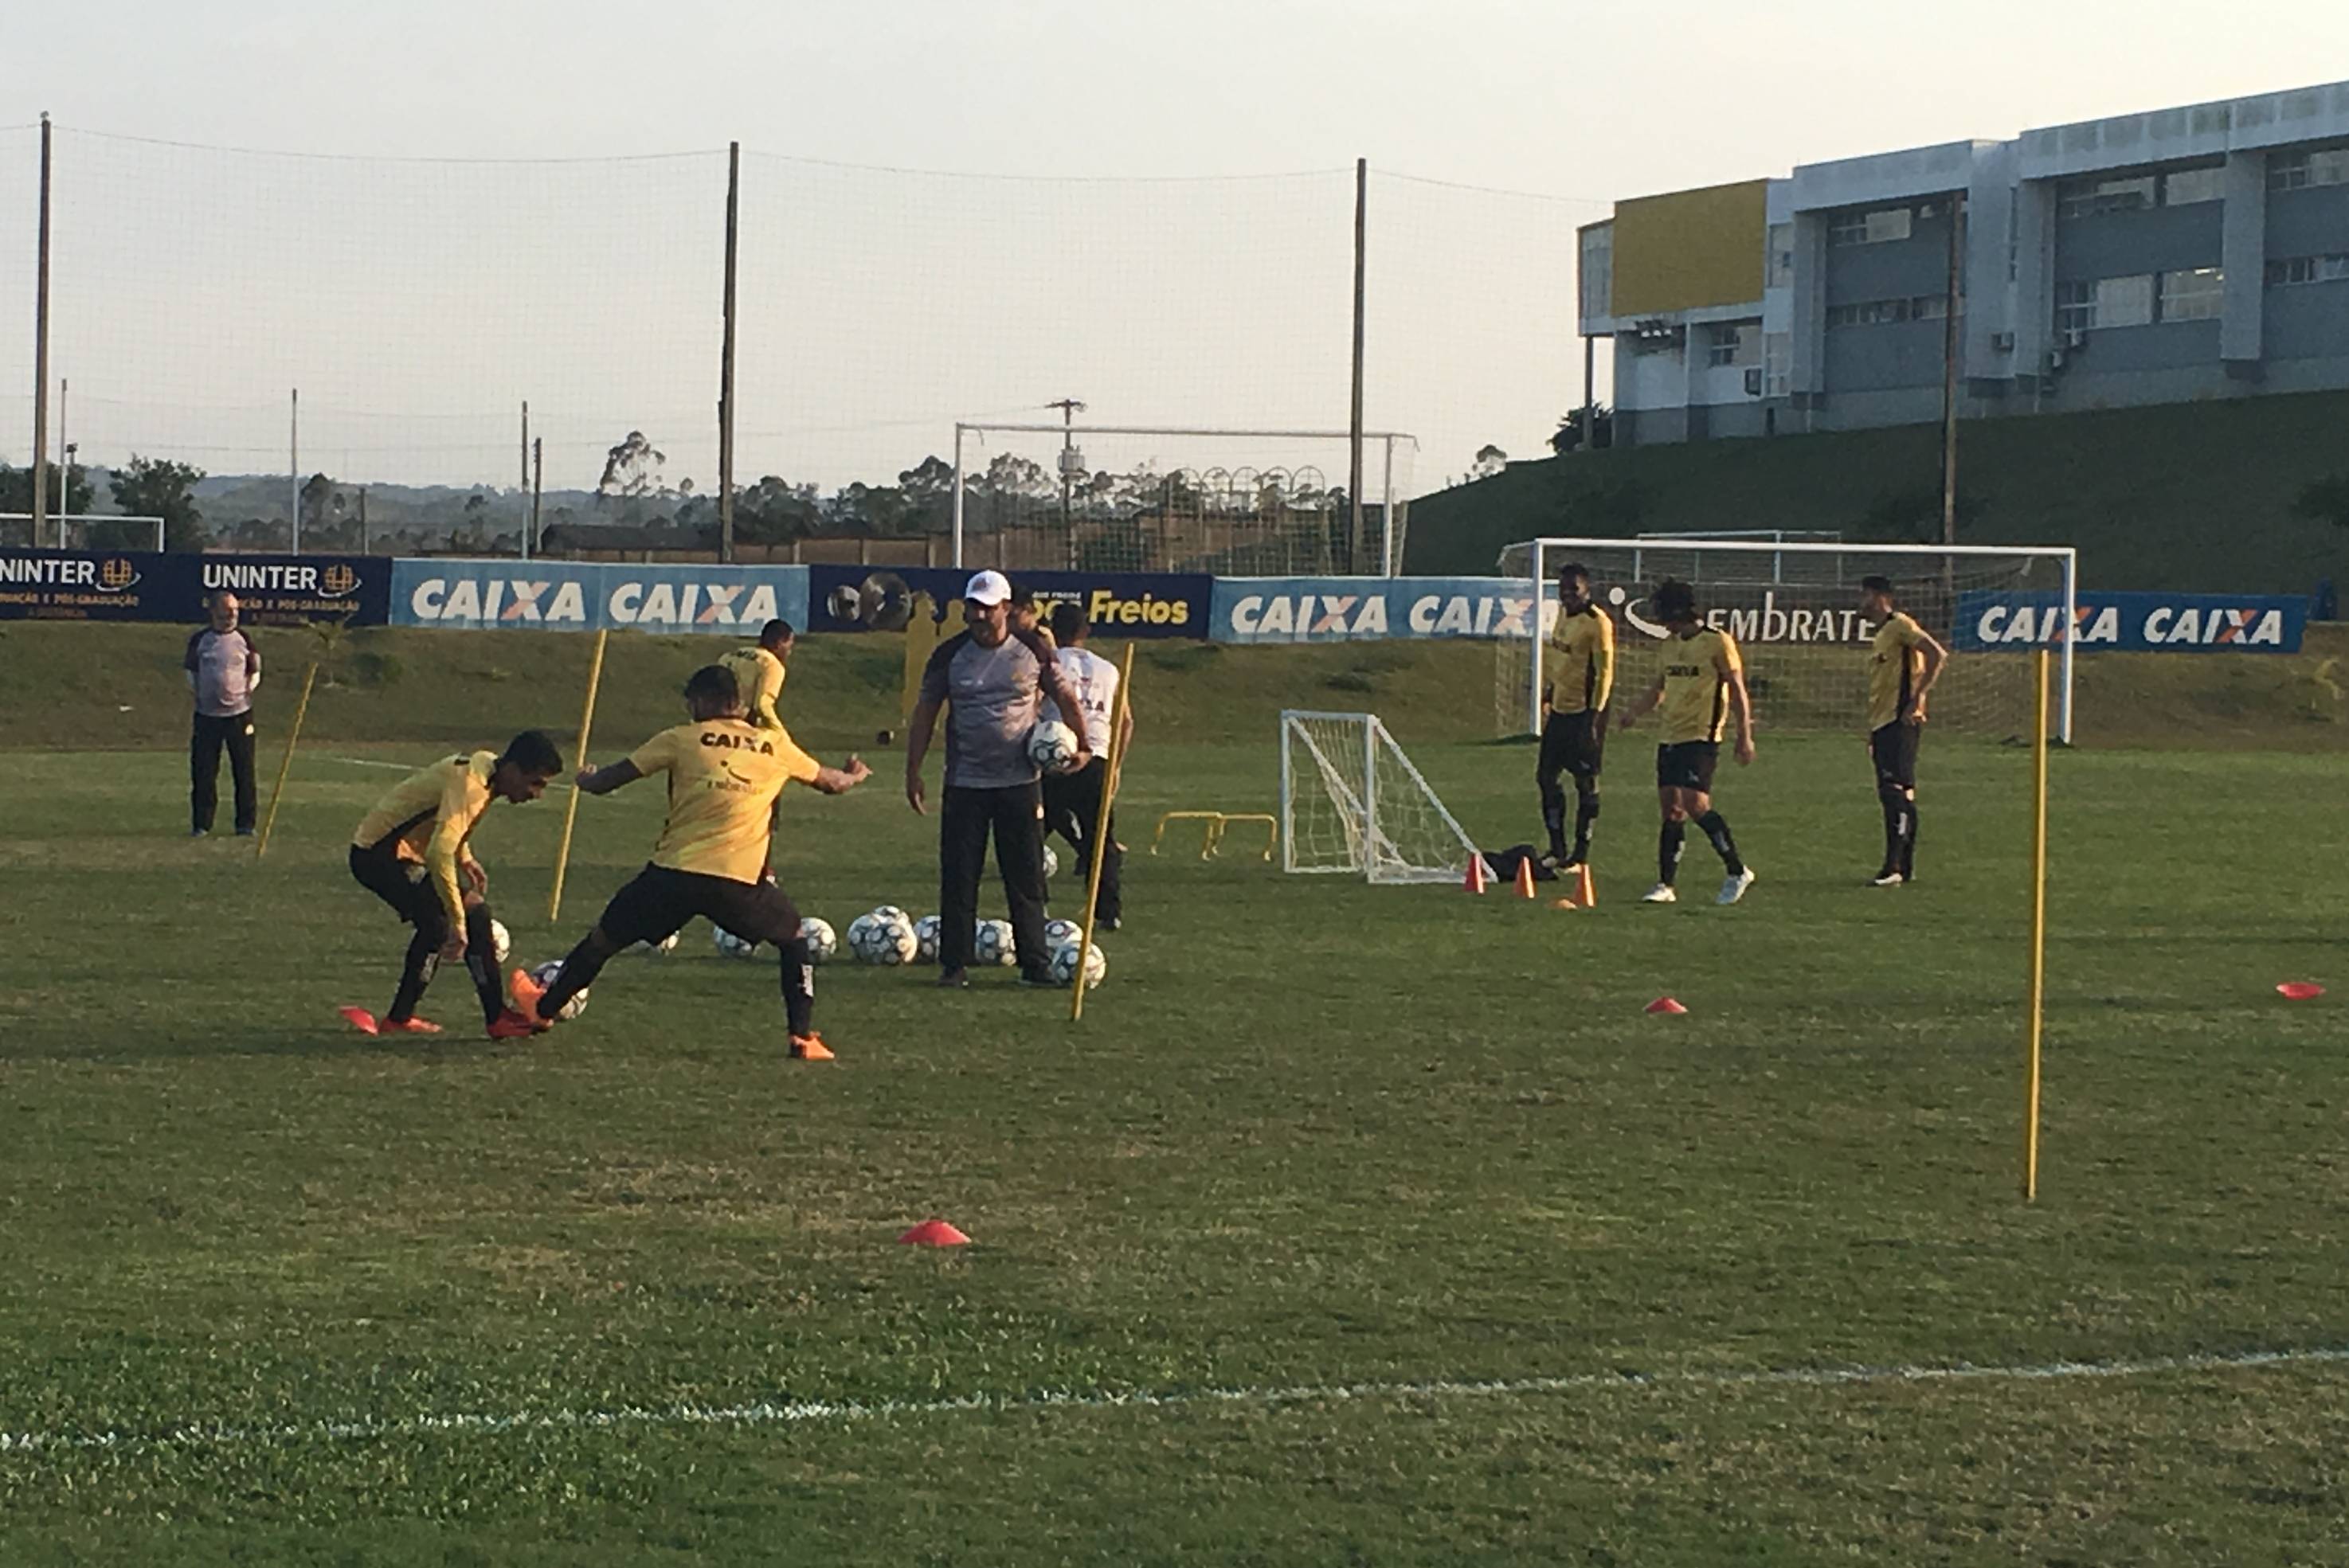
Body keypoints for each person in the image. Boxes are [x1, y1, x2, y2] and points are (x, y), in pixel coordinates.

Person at [513, 664, 871, 1060]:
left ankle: (542, 1011)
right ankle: (802, 1038)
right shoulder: (774, 745)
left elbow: (609, 781)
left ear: (703, 700)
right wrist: (854, 776)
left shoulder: (681, 738)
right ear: (737, 704)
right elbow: (831, 783)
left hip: (674, 874)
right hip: (738, 881)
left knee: (603, 940)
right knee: (794, 940)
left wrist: (586, 779)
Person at [904, 569, 1091, 988]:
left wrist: (1084, 745)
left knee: (1025, 876)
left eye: (988, 607)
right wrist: (913, 770)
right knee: (959, 876)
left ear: (1006, 609)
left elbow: (1065, 697)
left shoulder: (1033, 649)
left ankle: (1035, 964)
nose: (980, 615)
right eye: (974, 606)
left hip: (1019, 783)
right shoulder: (949, 654)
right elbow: (925, 714)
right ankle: (954, 965)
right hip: (965, 783)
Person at [343, 731, 564, 1038]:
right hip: (379, 855)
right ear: (513, 769)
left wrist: (465, 856)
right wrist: (458, 920)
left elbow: (446, 819)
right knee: (472, 914)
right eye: (535, 782)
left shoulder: (485, 770)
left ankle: (400, 1018)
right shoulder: (473, 785)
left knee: (435, 926)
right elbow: (438, 852)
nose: (537, 793)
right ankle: (496, 1017)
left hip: (395, 853)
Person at [1615, 580, 1757, 905]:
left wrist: (1744, 736)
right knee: (1671, 809)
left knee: (1696, 804)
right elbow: (1659, 687)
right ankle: (1666, 884)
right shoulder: (1669, 645)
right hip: (1669, 735)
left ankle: (1737, 871)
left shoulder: (1717, 642)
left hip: (1701, 736)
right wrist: (1633, 712)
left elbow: (1737, 689)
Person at [1039, 600, 1133, 929]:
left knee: (1030, 836)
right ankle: (1108, 913)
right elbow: (1126, 722)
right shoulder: (1109, 670)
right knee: (1101, 841)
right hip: (1096, 760)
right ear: (1086, 631)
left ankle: (1036, 908)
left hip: (1053, 759)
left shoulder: (1048, 663)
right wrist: (1116, 766)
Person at [1858, 576, 1948, 886]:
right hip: (1884, 723)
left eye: (1866, 595)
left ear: (1881, 597)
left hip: (1900, 722)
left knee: (1893, 791)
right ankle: (1903, 866)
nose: (1862, 602)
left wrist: (1918, 697)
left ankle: (1893, 867)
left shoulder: (1900, 626)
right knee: (1901, 794)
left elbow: (1937, 654)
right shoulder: (1882, 634)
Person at [1536, 561, 1615, 870]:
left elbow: (1605, 672)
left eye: (1574, 590)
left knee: (1586, 782)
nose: (1568, 595)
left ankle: (1581, 855)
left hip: (1585, 713)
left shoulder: (1598, 623)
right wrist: (1549, 690)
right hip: (1559, 710)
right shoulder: (1562, 615)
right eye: (1563, 590)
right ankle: (1557, 849)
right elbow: (1560, 659)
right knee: (1546, 778)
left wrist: (1594, 716)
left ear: (1587, 589)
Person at [185, 592, 262, 836]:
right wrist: (200, 693)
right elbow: (191, 672)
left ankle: (246, 824)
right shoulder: (200, 640)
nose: (231, 617)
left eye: (235, 612)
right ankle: (202, 824)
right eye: (226, 612)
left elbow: (255, 671)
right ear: (214, 612)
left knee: (244, 770)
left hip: (239, 716)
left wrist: (247, 690)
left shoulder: (244, 640)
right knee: (204, 772)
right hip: (207, 717)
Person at [718, 619, 795, 731]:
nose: (789, 652)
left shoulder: (730, 655)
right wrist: (780, 732)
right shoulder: (770, 664)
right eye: (789, 645)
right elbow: (763, 705)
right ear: (779, 643)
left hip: (715, 722)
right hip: (742, 728)